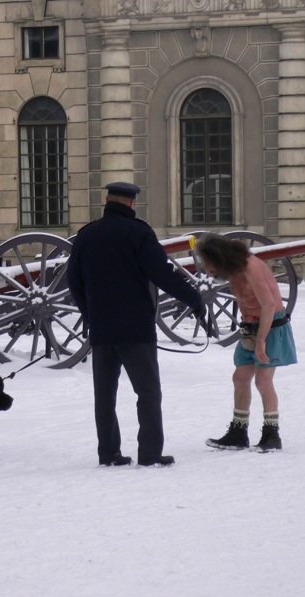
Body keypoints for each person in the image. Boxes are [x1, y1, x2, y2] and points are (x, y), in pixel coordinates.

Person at [67, 182, 203, 467]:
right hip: (136, 328)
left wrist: (90, 315)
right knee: (148, 393)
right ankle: (150, 453)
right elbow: (162, 274)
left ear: (107, 201)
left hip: (102, 330)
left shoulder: (86, 235)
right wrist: (194, 298)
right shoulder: (138, 232)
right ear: (131, 204)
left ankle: (108, 453)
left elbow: (74, 282)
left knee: (104, 396)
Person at [194, 233, 297, 453]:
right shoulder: (232, 270)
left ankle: (272, 435)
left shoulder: (250, 266)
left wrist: (260, 341)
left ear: (219, 257)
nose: (206, 267)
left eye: (207, 262)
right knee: (240, 378)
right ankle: (238, 433)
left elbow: (268, 305)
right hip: (250, 330)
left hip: (271, 328)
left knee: (263, 381)